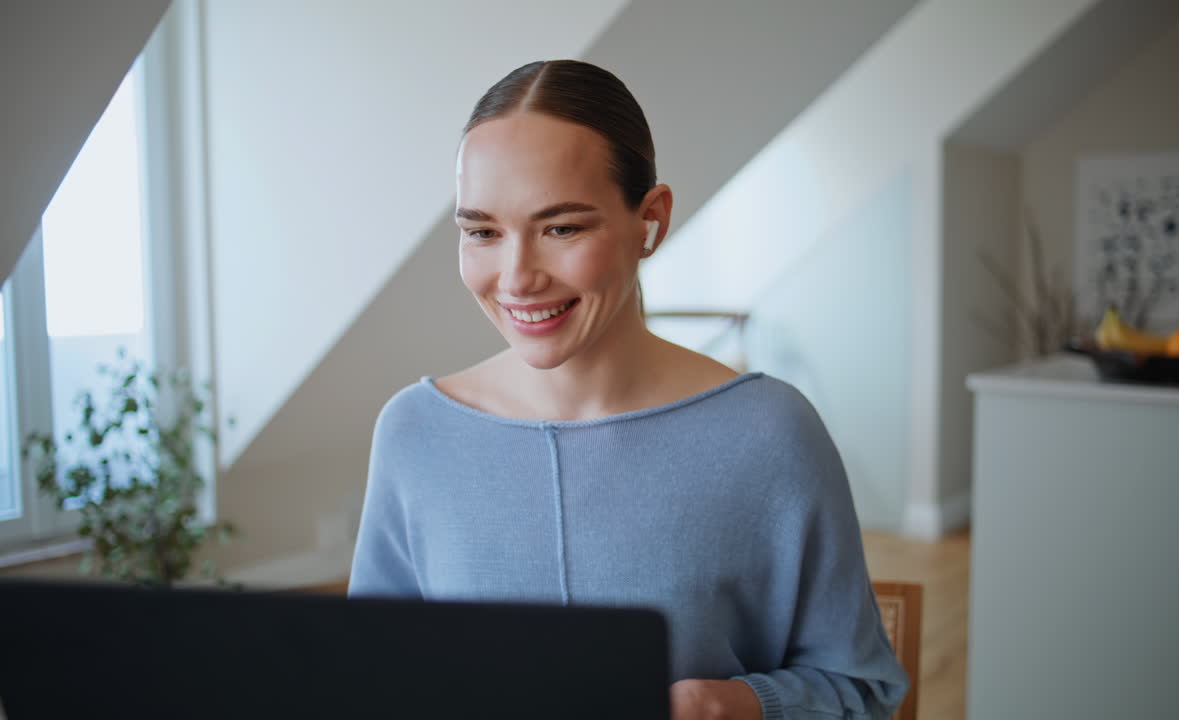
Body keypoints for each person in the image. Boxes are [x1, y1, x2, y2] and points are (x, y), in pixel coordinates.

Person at [348, 59, 909, 720]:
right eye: (482, 232)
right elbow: (369, 680)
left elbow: (864, 693)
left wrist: (729, 705)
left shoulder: (771, 431)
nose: (517, 276)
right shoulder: (415, 433)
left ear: (651, 220)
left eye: (562, 228)